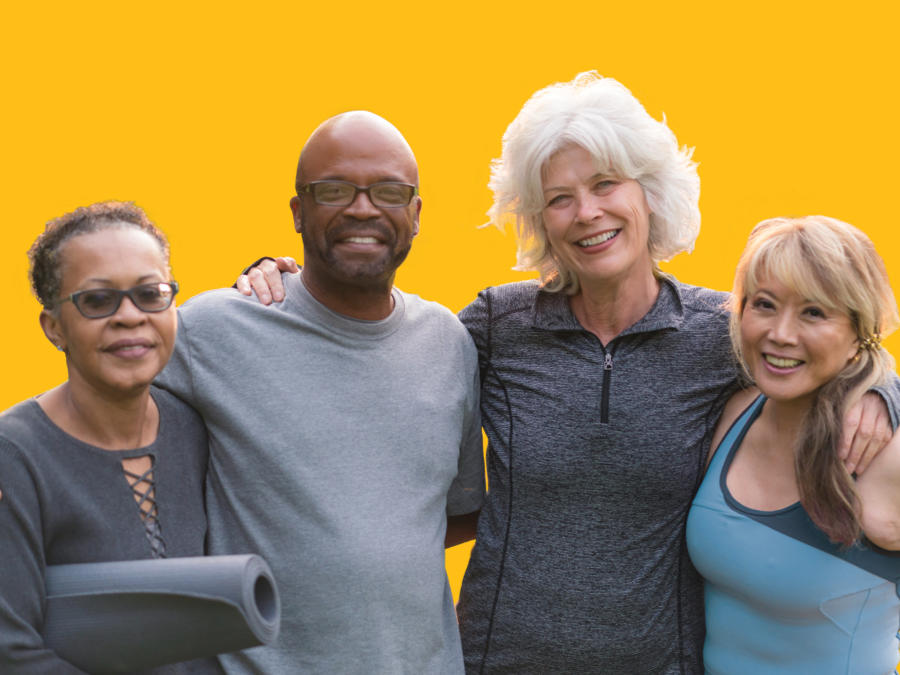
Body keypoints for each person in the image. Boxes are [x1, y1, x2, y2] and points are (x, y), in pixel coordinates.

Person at [242, 74, 898, 673]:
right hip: (498, 662)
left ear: (651, 193)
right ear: (540, 220)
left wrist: (881, 389)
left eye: (606, 184)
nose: (587, 213)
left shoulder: (721, 331)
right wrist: (295, 279)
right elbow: (381, 337)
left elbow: (819, 339)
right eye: (560, 197)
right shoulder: (499, 323)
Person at [155, 111, 484, 674]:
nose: (363, 208)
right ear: (297, 212)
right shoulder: (212, 329)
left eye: (388, 191)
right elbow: (82, 427)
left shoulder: (450, 344)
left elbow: (451, 515)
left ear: (416, 213)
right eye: (333, 190)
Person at [0, 201, 222, 673]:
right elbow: (10, 652)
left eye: (150, 294)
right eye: (98, 301)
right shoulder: (13, 455)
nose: (129, 316)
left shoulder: (200, 429)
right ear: (53, 327)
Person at [686, 216, 900, 673]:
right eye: (764, 304)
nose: (781, 333)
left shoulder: (884, 454)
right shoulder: (734, 413)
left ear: (857, 332)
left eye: (814, 312)